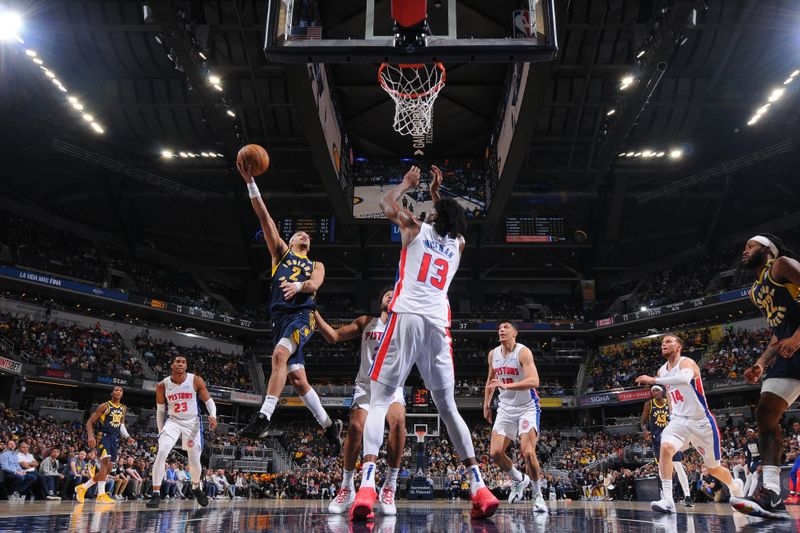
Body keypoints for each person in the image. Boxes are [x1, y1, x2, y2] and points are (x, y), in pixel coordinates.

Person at [352, 165, 499, 520]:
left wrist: (408, 184)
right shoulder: (459, 245)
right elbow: (450, 220)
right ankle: (479, 486)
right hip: (438, 324)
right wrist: (437, 194)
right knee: (448, 409)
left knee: (379, 399)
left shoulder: (414, 227)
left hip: (406, 318)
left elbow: (385, 202)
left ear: (432, 215)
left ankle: (367, 487)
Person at [236, 160, 343, 451]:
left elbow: (316, 283)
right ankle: (330, 426)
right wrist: (250, 183)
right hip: (278, 318)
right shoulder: (280, 254)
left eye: (307, 235)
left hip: (302, 315)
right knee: (297, 379)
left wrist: (299, 286)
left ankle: (263, 417)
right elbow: (265, 218)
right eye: (299, 234)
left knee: (279, 355)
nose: (304, 235)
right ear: (291, 240)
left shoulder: (315, 264)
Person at [315, 290, 407, 515]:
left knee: (398, 422)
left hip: (392, 387)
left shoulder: (405, 326)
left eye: (394, 294)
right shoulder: (367, 322)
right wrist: (313, 312)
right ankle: (347, 487)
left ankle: (389, 486)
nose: (389, 296)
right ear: (381, 301)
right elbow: (334, 336)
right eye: (386, 294)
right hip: (366, 386)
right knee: (355, 428)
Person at [635, 334, 743, 513]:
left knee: (713, 468)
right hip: (679, 421)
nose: (664, 344)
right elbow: (669, 393)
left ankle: (734, 486)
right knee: (666, 447)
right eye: (662, 342)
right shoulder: (662, 370)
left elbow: (684, 379)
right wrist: (671, 413)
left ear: (679, 347)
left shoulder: (687, 363)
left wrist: (654, 381)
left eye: (669, 341)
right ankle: (668, 499)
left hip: (702, 422)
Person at [733, 234, 800, 518]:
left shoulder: (782, 265)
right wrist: (761, 362)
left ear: (768, 249)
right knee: (765, 413)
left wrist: (798, 336)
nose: (744, 250)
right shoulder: (756, 290)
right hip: (788, 352)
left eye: (750, 245)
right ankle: (772, 492)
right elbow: (779, 331)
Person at [483, 322, 546, 513]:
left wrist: (507, 386)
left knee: (528, 452)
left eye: (506, 327)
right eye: (500, 328)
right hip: (505, 408)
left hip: (527, 407)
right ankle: (519, 479)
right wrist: (486, 403)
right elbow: (490, 380)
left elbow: (534, 381)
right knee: (495, 453)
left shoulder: (523, 352)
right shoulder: (493, 354)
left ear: (515, 333)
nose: (501, 330)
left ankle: (537, 495)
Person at [147, 354, 217, 508]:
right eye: (177, 361)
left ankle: (195, 487)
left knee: (194, 460)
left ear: (186, 366)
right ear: (172, 365)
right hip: (173, 421)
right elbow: (160, 411)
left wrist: (213, 415)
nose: (180, 364)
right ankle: (156, 494)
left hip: (192, 423)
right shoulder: (162, 385)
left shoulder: (195, 380)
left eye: (183, 362)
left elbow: (209, 401)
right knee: (162, 451)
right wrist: (160, 432)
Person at [75, 386, 135, 504]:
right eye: (116, 390)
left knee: (106, 470)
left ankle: (83, 487)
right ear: (112, 393)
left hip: (115, 439)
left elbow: (121, 425)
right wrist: (91, 436)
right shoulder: (105, 406)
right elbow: (89, 422)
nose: (118, 392)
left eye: (120, 390)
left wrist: (127, 436)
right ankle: (101, 494)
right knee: (105, 461)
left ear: (122, 394)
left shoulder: (123, 408)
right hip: (104, 436)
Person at [640, 384, 692, 506]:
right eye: (654, 391)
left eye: (658, 390)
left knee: (678, 466)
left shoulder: (670, 402)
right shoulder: (649, 404)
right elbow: (643, 421)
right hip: (657, 439)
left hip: (672, 437)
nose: (656, 392)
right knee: (661, 468)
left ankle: (688, 496)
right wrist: (644, 430)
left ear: (663, 392)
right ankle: (667, 496)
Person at [742, 428, 761, 498]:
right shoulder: (747, 443)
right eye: (748, 433)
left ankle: (750, 495)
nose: (749, 434)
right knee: (749, 477)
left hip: (761, 461)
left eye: (751, 432)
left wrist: (761, 464)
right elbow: (749, 456)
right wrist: (748, 466)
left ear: (753, 433)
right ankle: (743, 495)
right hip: (755, 461)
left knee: (755, 476)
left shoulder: (758, 441)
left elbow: (763, 453)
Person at [787, 421, 800, 504]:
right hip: (799, 456)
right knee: (792, 473)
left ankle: (798, 495)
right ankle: (792, 494)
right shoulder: (797, 435)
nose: (795, 427)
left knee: (799, 473)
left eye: (796, 425)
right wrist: (794, 447)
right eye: (794, 426)